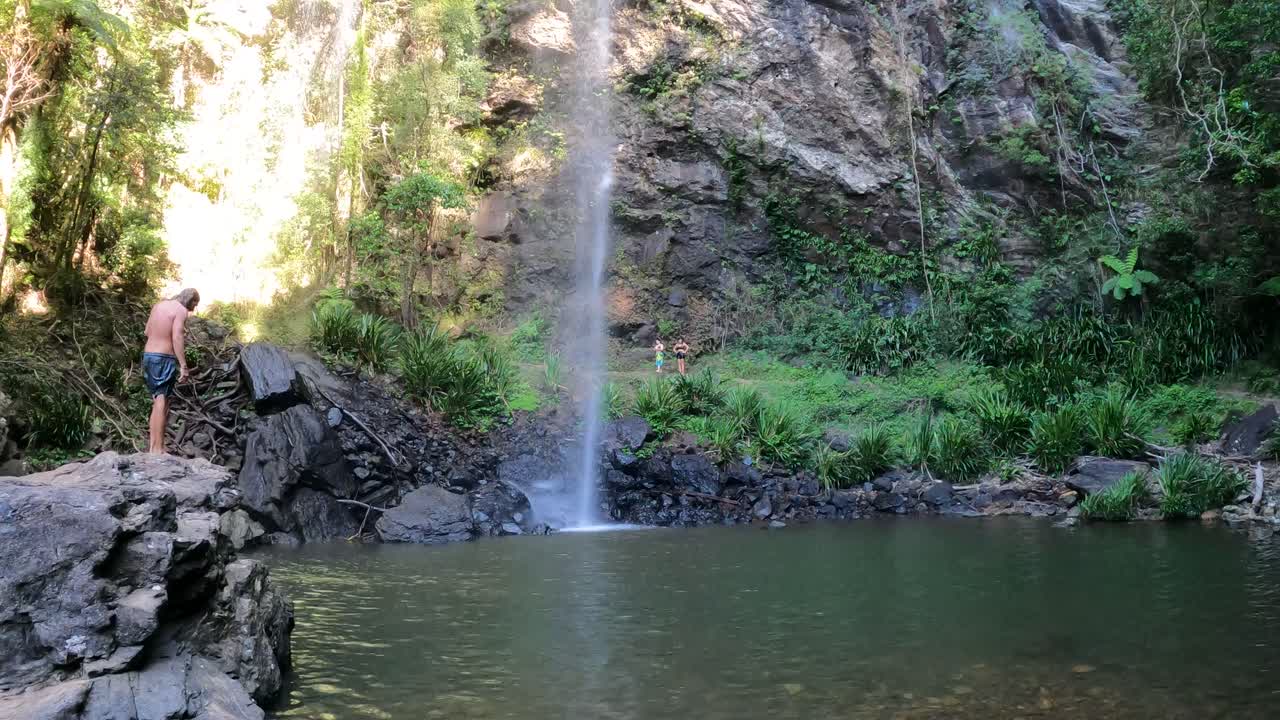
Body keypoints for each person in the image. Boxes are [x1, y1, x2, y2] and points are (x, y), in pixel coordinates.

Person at [142, 288, 200, 453]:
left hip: (148, 356)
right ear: (191, 301)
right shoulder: (180, 310)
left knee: (158, 401)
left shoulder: (158, 305)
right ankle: (158, 450)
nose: (194, 309)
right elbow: (177, 336)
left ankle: (154, 446)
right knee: (162, 402)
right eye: (195, 304)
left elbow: (147, 331)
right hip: (163, 358)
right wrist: (183, 365)